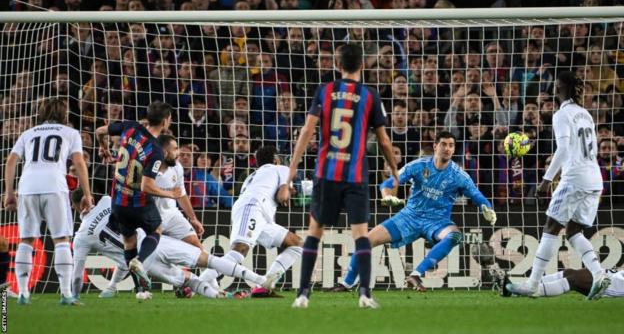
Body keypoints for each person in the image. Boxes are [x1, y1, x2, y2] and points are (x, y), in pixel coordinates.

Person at [287, 43, 399, 309]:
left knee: (315, 231)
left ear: (338, 66)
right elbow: (383, 140)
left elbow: (307, 130)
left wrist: (293, 167)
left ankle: (302, 294)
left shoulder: (325, 91)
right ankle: (364, 294)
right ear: (362, 66)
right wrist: (394, 168)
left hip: (326, 173)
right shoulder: (370, 95)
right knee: (360, 234)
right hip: (355, 175)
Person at [329, 131, 496, 292]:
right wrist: (387, 196)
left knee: (454, 236)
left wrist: (488, 208)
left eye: (451, 145)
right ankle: (347, 283)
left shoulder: (459, 175)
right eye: (443, 144)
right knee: (365, 241)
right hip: (409, 217)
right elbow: (387, 184)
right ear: (435, 146)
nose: (447, 148)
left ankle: (416, 274)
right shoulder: (418, 165)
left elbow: (476, 195)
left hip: (437, 221)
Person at [506, 71, 609, 300]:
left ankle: (532, 284)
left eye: (555, 84)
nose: (553, 87)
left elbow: (563, 150)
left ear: (560, 87)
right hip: (594, 179)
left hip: (574, 179)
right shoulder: (585, 114)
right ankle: (599, 274)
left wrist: (545, 181)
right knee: (574, 231)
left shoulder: (561, 114)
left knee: (551, 227)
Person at [70, 190, 273, 300]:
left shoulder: (80, 238)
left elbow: (78, 276)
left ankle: (221, 297)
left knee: (188, 280)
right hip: (154, 243)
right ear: (91, 198)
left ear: (73, 207)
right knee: (207, 260)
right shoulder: (106, 201)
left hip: (142, 262)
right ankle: (259, 280)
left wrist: (74, 296)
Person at [3, 97, 94, 305]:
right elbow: (79, 161)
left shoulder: (27, 134)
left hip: (27, 186)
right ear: (63, 115)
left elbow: (11, 161)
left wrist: (9, 192)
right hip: (54, 185)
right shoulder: (70, 133)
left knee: (26, 240)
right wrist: (87, 193)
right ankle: (66, 294)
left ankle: (24, 293)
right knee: (61, 239)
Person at [95, 101, 179, 294]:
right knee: (156, 228)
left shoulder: (131, 126)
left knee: (129, 242)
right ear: (166, 121)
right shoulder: (156, 150)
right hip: (138, 203)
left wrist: (104, 148)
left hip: (117, 201)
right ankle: (139, 261)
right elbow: (146, 186)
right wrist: (169, 193)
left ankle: (141, 290)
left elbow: (100, 131)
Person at [199, 146, 302, 297]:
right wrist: (288, 191)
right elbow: (281, 197)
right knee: (238, 252)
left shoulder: (254, 176)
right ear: (276, 160)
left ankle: (265, 286)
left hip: (258, 214)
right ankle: (195, 283)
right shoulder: (282, 169)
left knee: (297, 244)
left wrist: (286, 191)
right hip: (253, 208)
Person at [155, 134, 204, 247]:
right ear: (164, 151)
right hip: (151, 218)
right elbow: (145, 188)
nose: (178, 154)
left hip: (172, 215)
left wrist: (193, 219)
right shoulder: (147, 168)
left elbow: (181, 194)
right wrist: (170, 193)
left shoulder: (177, 167)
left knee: (196, 246)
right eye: (175, 149)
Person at [499, 268, 624, 299]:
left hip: (618, 284)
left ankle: (530, 291)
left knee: (575, 279)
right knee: (569, 272)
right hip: (616, 275)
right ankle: (518, 288)